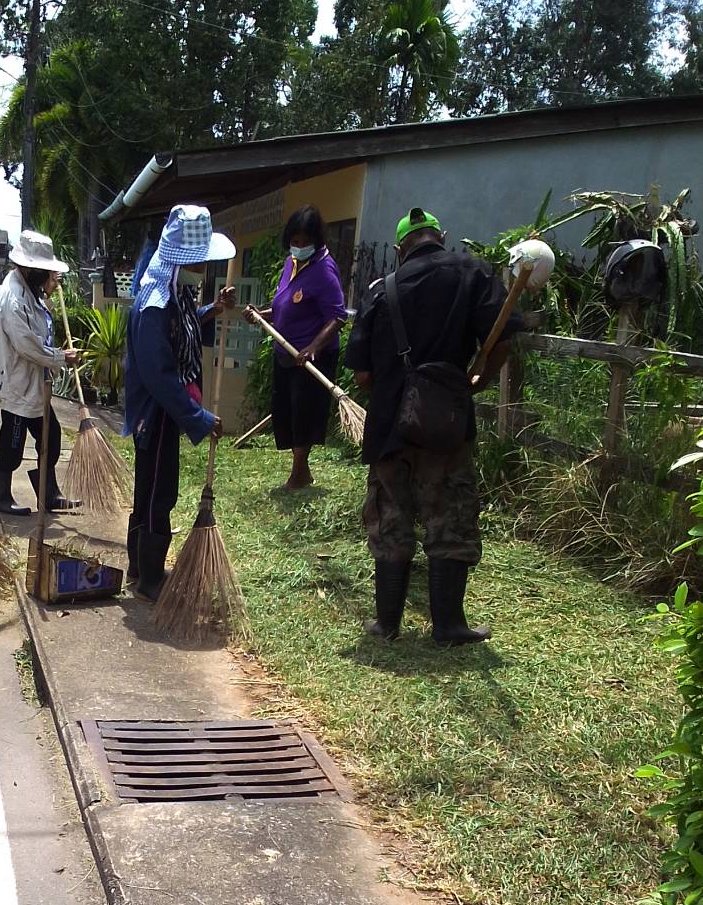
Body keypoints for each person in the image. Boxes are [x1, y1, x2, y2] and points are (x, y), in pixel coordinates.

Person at [343, 207, 520, 645]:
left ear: (401, 247)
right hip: (447, 418)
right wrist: (477, 379)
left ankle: (386, 624)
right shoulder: (473, 273)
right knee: (450, 515)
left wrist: (394, 392)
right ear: (440, 236)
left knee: (390, 516)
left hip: (389, 426)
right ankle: (448, 625)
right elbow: (502, 339)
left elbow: (361, 375)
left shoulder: (381, 290)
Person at [124, 204, 236, 600]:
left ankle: (138, 568)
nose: (205, 271)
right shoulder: (154, 304)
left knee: (150, 489)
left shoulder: (175, 292)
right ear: (182, 261)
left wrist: (211, 311)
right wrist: (199, 417)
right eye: (201, 263)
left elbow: (183, 326)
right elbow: (160, 376)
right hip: (155, 415)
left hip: (164, 413)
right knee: (158, 493)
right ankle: (150, 578)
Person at [0, 230, 82, 517]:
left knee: (51, 435)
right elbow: (26, 346)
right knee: (12, 442)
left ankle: (49, 494)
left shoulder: (29, 292)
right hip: (15, 384)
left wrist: (47, 290)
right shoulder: (14, 298)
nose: (49, 275)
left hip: (32, 384)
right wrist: (61, 357)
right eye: (45, 271)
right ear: (29, 267)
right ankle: (0, 496)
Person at [243, 205, 346, 491]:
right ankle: (303, 469)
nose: (299, 247)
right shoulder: (291, 263)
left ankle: (298, 472)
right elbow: (284, 306)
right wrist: (262, 315)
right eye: (294, 241)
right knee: (285, 410)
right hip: (285, 350)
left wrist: (313, 347)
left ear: (317, 240)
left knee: (304, 412)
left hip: (311, 356)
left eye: (304, 242)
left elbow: (338, 316)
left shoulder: (325, 270)